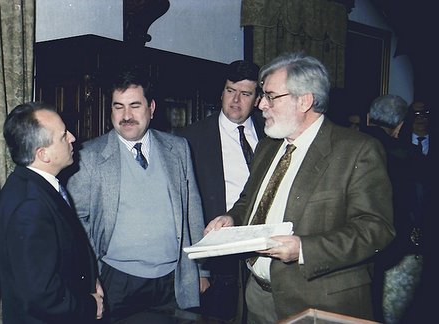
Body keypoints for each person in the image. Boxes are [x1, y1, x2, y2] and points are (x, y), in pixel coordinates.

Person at [205, 52, 395, 323]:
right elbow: (249, 200)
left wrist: (304, 249)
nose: (260, 104)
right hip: (255, 296)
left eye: (270, 96)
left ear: (304, 100)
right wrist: (231, 218)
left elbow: (376, 229)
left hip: (318, 302)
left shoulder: (357, 150)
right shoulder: (268, 146)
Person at [67, 68, 208, 323]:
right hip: (116, 281)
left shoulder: (178, 149)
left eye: (135, 105)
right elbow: (75, 222)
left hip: (173, 280)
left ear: (151, 108)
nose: (126, 116)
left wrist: (201, 269)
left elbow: (192, 211)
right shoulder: (88, 156)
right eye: (118, 107)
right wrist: (90, 277)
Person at [0, 102, 104, 323]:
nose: (73, 138)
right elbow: (42, 296)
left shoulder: (34, 185)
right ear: (43, 154)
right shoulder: (29, 206)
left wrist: (91, 281)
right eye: (64, 136)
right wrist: (90, 306)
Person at [178, 60, 265, 321]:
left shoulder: (272, 134)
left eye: (245, 94)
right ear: (222, 92)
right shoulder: (191, 138)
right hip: (217, 258)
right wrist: (197, 269)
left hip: (263, 249)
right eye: (230, 91)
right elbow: (184, 207)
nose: (236, 100)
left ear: (258, 98)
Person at [364, 94, 423, 323]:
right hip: (393, 248)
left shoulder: (346, 145)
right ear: (399, 126)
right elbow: (417, 207)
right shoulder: (409, 156)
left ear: (368, 118)